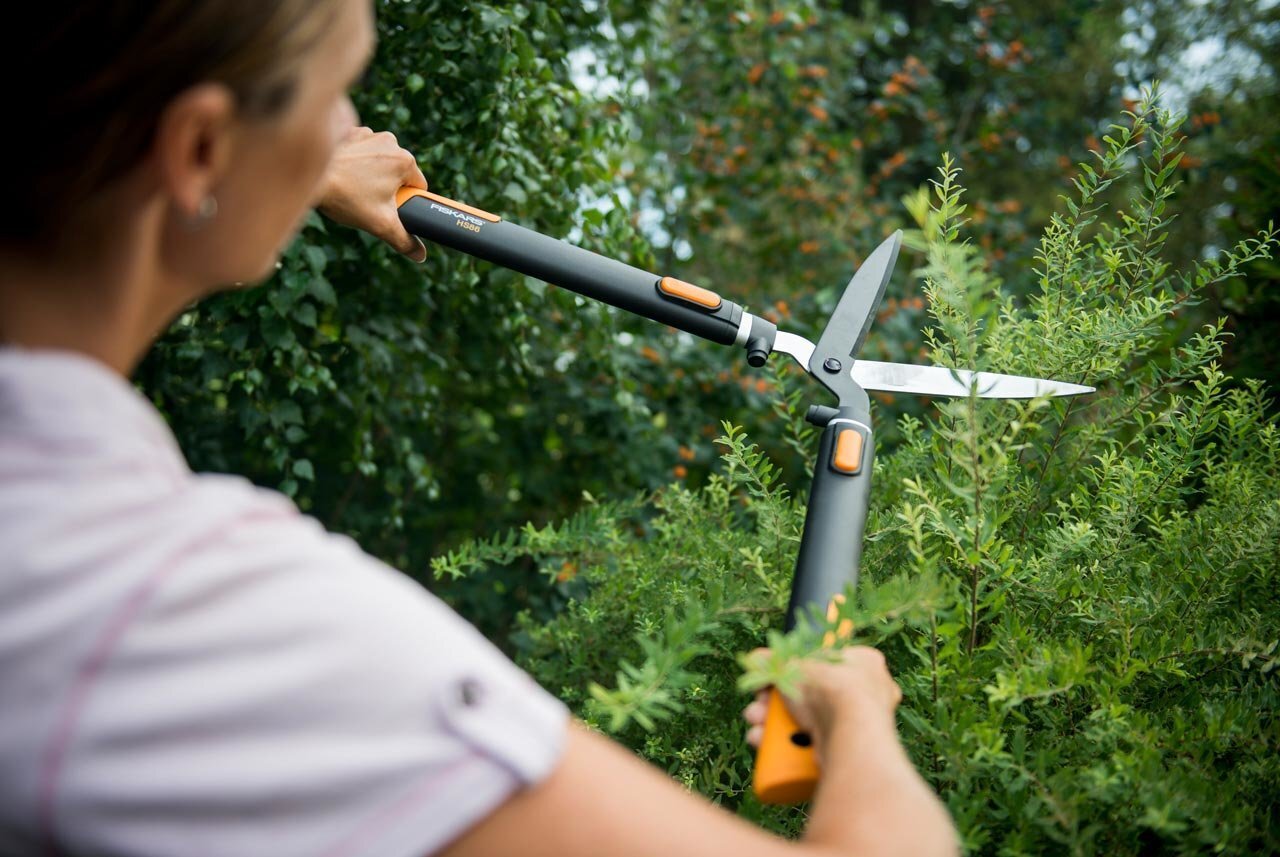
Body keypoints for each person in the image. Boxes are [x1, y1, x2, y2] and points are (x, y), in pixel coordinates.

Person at [0, 2, 958, 855]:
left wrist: (310, 166)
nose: (363, 130)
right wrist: (856, 709)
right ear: (199, 149)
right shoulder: (180, 609)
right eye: (341, 94)